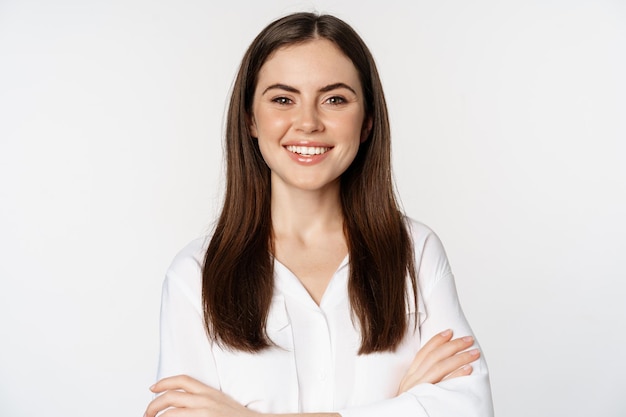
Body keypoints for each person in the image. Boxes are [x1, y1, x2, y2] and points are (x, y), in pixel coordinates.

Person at [145, 12, 493, 417]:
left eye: (335, 99)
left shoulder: (415, 252)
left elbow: (468, 409)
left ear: (367, 123)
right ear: (249, 119)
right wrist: (401, 405)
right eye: (282, 99)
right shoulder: (196, 274)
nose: (308, 123)